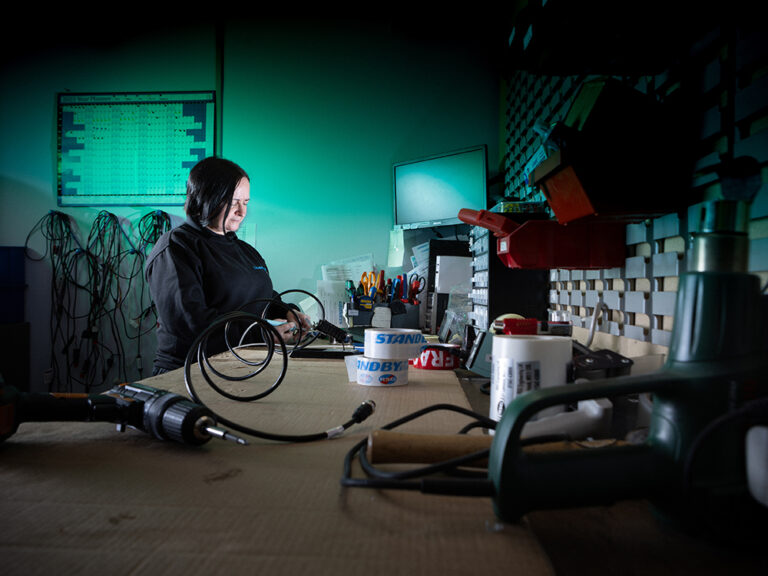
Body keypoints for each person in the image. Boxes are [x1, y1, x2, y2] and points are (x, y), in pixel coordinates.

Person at [145, 156, 312, 374]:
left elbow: (261, 297)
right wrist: (261, 334)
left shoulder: (245, 251)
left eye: (246, 203)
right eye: (233, 202)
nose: (242, 212)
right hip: (190, 372)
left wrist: (287, 312)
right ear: (206, 198)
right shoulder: (176, 247)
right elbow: (192, 325)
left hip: (245, 366)